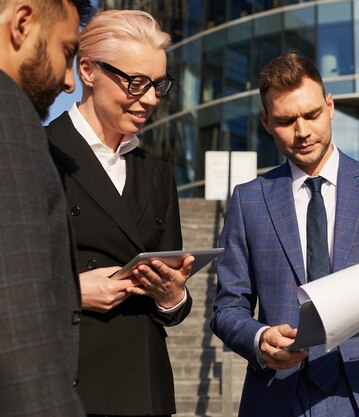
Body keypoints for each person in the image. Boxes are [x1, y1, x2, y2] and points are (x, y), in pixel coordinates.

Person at [210, 53, 359, 417]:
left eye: (311, 115)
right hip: (279, 396)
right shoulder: (248, 200)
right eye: (286, 120)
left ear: (330, 105)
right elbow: (228, 306)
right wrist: (260, 340)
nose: (303, 131)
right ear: (265, 122)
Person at [46, 10, 193, 417]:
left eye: (158, 85)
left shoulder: (158, 173)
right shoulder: (39, 153)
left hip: (145, 391)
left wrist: (172, 296)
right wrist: (73, 294)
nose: (149, 98)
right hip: (66, 385)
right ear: (88, 70)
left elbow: (173, 307)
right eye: (135, 82)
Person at [0, 0, 93, 416]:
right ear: (22, 25)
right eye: (67, 53)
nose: (69, 82)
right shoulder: (8, 120)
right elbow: (18, 336)